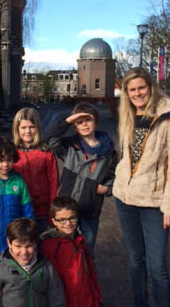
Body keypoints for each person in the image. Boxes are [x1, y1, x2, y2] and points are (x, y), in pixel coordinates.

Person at [113, 67, 170, 307]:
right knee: (135, 261)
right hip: (125, 199)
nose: (137, 94)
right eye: (132, 90)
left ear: (151, 86)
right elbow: (126, 157)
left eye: (141, 88)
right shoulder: (128, 114)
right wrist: (117, 182)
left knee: (157, 268)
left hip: (155, 203)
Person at [41, 195, 117, 307]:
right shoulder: (50, 247)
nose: (68, 223)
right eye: (62, 220)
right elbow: (53, 287)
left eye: (72, 218)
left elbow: (91, 276)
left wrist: (99, 306)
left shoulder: (80, 240)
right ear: (54, 221)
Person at [47, 102, 117, 257]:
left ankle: (85, 272)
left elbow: (116, 177)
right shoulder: (70, 146)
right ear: (74, 126)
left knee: (86, 249)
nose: (84, 124)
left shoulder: (109, 153)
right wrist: (68, 120)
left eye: (88, 120)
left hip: (89, 210)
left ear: (96, 122)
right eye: (79, 122)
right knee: (62, 248)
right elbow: (50, 138)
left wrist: (107, 188)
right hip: (65, 209)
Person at [12, 107, 58, 233]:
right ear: (17, 129)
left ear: (37, 128)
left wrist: (52, 211)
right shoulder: (11, 153)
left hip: (42, 211)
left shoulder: (46, 153)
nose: (28, 131)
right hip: (18, 210)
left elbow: (54, 184)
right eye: (23, 127)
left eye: (31, 127)